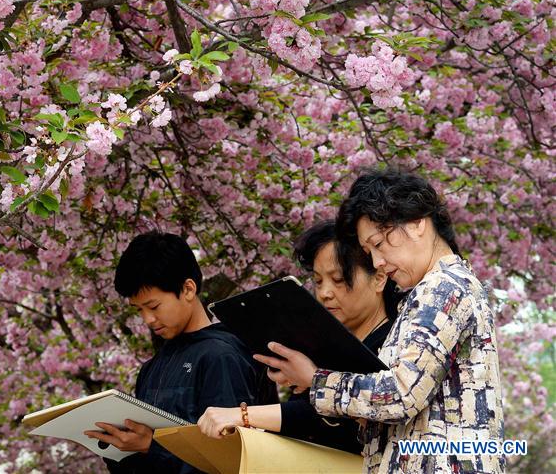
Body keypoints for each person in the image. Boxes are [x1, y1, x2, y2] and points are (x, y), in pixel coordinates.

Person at [254, 168, 505, 473]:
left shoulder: (442, 286)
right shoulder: (443, 287)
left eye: (379, 243)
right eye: (369, 251)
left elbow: (400, 395)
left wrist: (315, 379)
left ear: (416, 224)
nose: (377, 262)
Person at [197, 220, 401, 454]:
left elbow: (328, 419)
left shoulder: (396, 345)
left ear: (379, 278)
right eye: (317, 281)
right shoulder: (322, 347)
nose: (324, 293)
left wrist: (244, 415)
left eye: (338, 280)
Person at [86, 231, 277, 473]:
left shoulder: (222, 356)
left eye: (153, 306)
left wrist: (150, 446)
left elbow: (231, 459)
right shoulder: (151, 368)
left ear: (188, 289)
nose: (148, 319)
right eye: (138, 310)